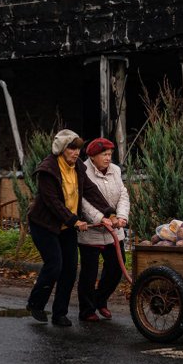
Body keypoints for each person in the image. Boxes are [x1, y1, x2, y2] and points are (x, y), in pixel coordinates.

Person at [26, 129, 114, 327]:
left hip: (67, 226)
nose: (76, 152)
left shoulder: (77, 168)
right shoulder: (47, 170)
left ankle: (60, 314)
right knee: (54, 264)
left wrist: (108, 212)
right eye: (72, 148)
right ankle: (36, 303)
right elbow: (53, 203)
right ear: (61, 149)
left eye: (78, 149)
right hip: (44, 225)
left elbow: (91, 190)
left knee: (70, 269)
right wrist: (74, 220)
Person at [77, 137, 130, 322]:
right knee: (89, 273)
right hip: (92, 232)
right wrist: (100, 218)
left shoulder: (115, 170)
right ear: (92, 156)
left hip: (114, 231)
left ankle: (100, 300)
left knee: (116, 268)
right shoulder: (82, 170)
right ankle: (86, 310)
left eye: (109, 154)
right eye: (104, 154)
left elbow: (123, 194)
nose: (108, 158)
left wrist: (122, 216)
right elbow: (82, 201)